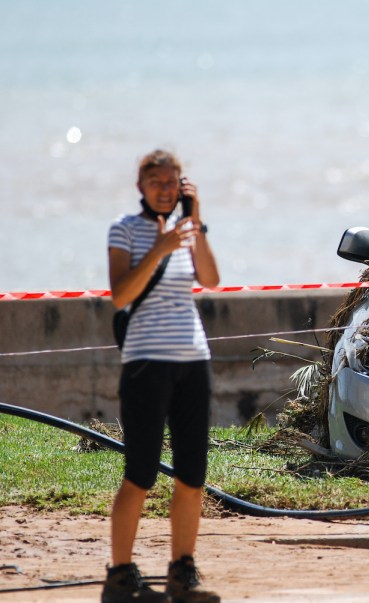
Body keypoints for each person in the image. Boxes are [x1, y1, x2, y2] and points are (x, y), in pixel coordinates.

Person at [102, 150, 220, 603]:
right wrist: (159, 247)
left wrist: (197, 221)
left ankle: (181, 570)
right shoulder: (124, 229)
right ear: (141, 187)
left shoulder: (187, 232)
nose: (165, 189)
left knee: (192, 475)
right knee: (141, 471)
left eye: (173, 182)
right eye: (156, 182)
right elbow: (120, 295)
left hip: (193, 360)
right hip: (146, 363)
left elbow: (210, 279)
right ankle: (120, 574)